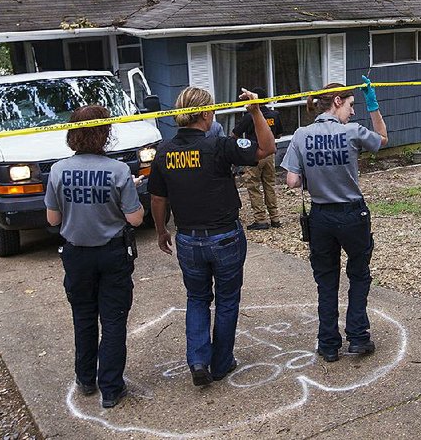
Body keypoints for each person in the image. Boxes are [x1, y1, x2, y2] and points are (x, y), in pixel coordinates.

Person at [147, 86, 275, 386]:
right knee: (227, 300)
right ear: (205, 113)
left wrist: (161, 229)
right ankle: (220, 363)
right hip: (224, 237)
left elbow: (157, 198)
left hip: (188, 239)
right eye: (212, 108)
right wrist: (256, 111)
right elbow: (266, 149)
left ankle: (198, 360)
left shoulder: (164, 151)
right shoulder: (218, 145)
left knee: (197, 298)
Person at [44, 105, 145, 409]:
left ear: (73, 134)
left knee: (83, 317)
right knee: (113, 320)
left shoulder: (59, 170)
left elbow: (52, 219)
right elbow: (136, 219)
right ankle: (111, 388)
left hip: (76, 255)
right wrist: (132, 193)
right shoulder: (118, 171)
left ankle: (85, 378)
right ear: (105, 133)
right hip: (112, 252)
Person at [281, 81, 387, 363]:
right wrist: (373, 104)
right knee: (359, 273)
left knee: (326, 281)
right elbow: (382, 140)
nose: (353, 113)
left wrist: (312, 173)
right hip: (352, 214)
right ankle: (358, 337)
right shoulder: (352, 132)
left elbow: (291, 181)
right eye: (352, 105)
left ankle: (328, 344)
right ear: (337, 102)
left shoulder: (301, 135)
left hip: (321, 217)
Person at [232, 88, 284, 230]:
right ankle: (275, 218)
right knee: (270, 185)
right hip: (270, 155)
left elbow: (235, 134)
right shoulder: (274, 114)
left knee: (253, 186)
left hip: (254, 155)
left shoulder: (249, 116)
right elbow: (278, 135)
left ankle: (260, 219)